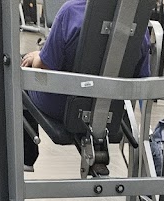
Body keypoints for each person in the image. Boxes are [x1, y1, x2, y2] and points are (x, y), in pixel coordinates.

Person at [21, 0, 151, 170]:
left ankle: (27, 158)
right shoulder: (139, 23)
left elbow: (45, 65)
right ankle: (98, 142)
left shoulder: (71, 11)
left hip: (62, 107)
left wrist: (37, 56)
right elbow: (141, 76)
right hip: (110, 112)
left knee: (22, 75)